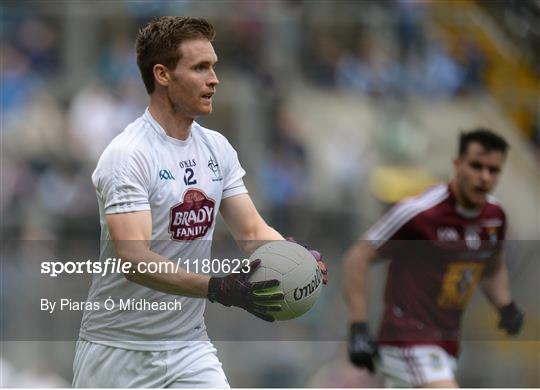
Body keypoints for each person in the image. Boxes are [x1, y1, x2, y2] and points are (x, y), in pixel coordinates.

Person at [72, 16, 327, 388]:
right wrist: (217, 287)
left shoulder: (217, 148)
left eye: (214, 66)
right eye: (200, 67)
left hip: (188, 348)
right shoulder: (128, 155)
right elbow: (134, 260)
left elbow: (253, 231)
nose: (215, 79)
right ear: (162, 74)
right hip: (117, 350)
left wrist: (295, 258)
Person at [343, 129, 524, 387]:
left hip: (447, 343)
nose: (484, 177)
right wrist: (358, 326)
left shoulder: (495, 217)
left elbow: (492, 268)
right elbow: (358, 256)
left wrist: (506, 306)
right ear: (457, 164)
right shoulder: (419, 213)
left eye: (493, 170)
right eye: (476, 166)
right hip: (406, 337)